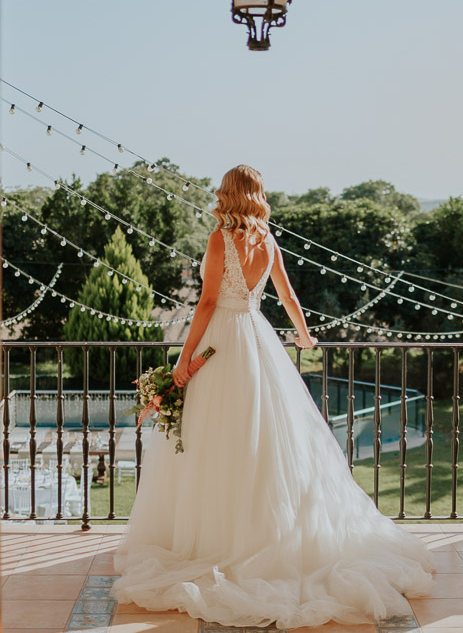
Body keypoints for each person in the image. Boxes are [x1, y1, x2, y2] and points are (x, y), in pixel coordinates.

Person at [112, 165, 436, 629]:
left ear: (227, 195)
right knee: (266, 443)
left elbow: (206, 303)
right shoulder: (267, 241)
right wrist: (305, 337)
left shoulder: (218, 238)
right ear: (258, 196)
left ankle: (211, 541)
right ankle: (268, 536)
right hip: (258, 341)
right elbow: (286, 295)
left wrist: (184, 361)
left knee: (213, 439)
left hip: (221, 341)